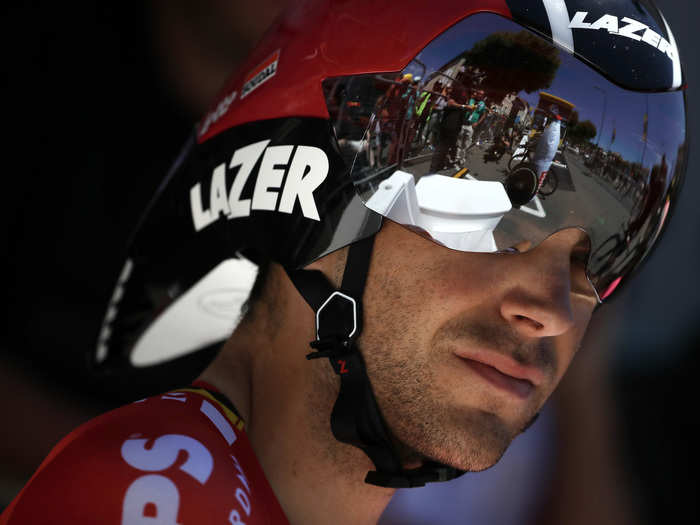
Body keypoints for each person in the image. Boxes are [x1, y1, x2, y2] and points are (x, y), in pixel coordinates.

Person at [1, 1, 687, 524]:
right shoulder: (160, 488)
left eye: (596, 254)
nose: (550, 308)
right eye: (488, 211)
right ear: (308, 183)